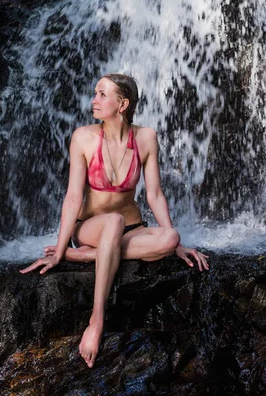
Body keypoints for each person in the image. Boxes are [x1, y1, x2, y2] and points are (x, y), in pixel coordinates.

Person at [20, 74, 209, 368]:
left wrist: (179, 245)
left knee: (170, 238)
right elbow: (72, 197)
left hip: (131, 229)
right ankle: (97, 319)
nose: (94, 100)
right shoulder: (82, 137)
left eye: (102, 94)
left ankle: (93, 257)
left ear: (122, 104)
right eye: (95, 93)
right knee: (111, 221)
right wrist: (60, 249)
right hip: (91, 227)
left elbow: (155, 194)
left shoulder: (146, 138)